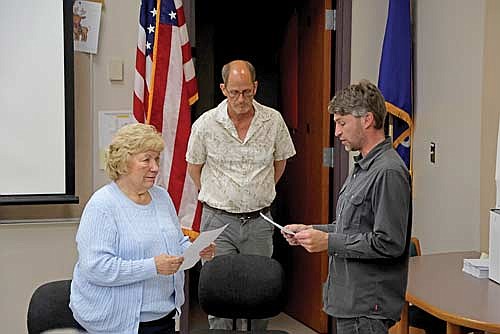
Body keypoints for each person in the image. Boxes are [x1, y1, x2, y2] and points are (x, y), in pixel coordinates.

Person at [282, 80, 411, 334]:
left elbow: (389, 242)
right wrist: (310, 231)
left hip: (366, 309)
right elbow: (351, 227)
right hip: (349, 302)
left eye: (342, 123)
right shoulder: (363, 166)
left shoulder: (388, 171)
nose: (337, 132)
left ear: (367, 120)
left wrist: (328, 242)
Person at [70, 123, 215, 334]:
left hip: (163, 318)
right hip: (116, 323)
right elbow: (96, 268)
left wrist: (195, 248)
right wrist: (152, 267)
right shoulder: (102, 205)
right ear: (123, 162)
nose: (155, 167)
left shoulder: (161, 197)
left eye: (156, 159)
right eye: (146, 159)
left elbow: (175, 242)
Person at [185, 59, 296, 330]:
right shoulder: (206, 124)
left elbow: (280, 163)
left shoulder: (273, 120)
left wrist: (257, 191)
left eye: (247, 91)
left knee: (260, 295)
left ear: (255, 87)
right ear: (223, 89)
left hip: (259, 222)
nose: (241, 98)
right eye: (234, 92)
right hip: (217, 221)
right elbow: (193, 168)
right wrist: (220, 194)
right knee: (218, 297)